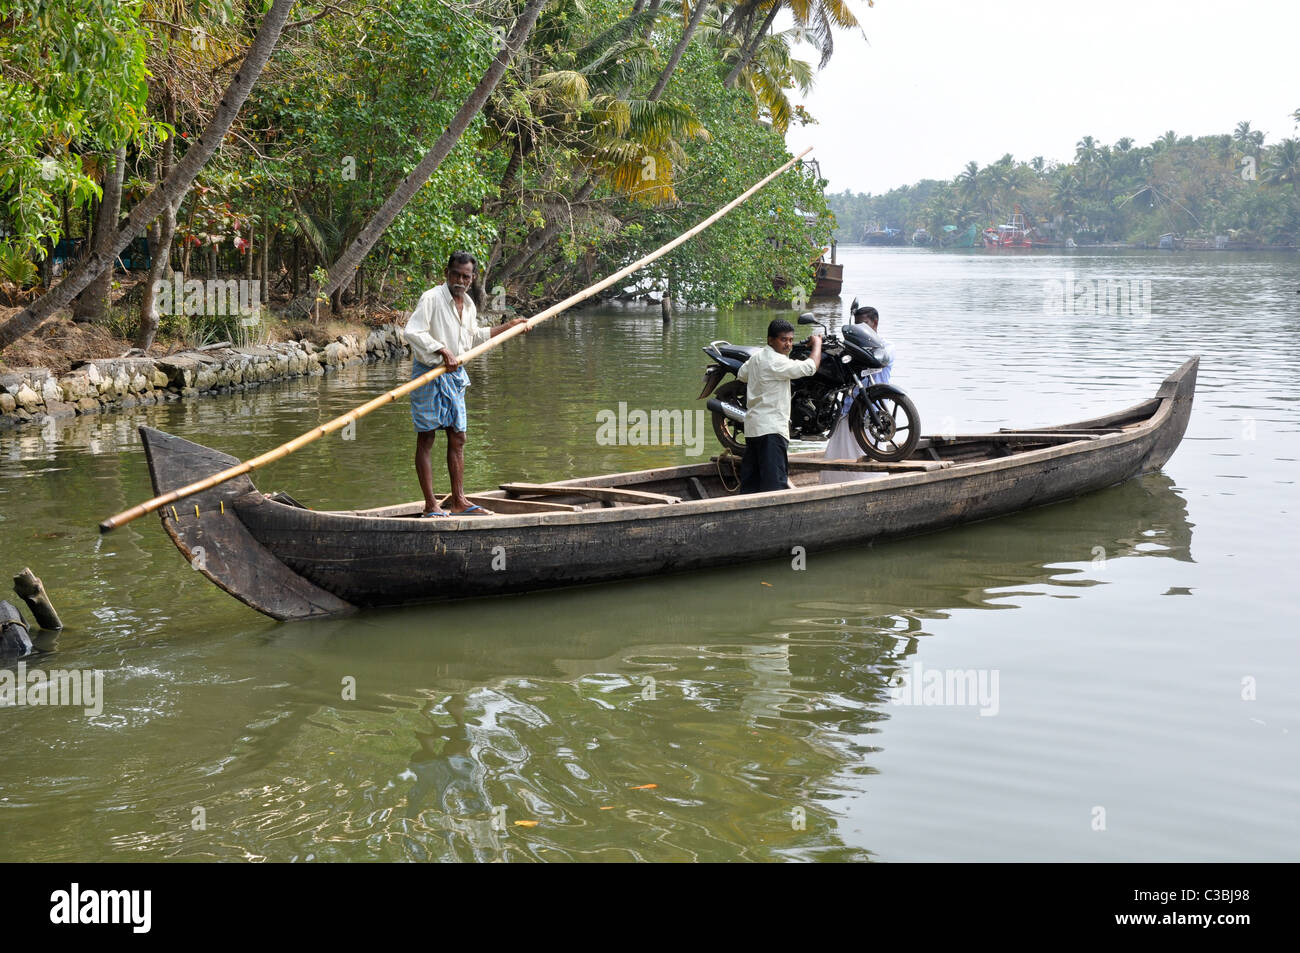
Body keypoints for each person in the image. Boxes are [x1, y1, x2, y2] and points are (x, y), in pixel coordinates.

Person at [404, 251, 528, 517]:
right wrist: (441, 350)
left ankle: (459, 500)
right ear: (447, 273)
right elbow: (413, 332)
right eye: (456, 275)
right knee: (426, 438)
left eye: (466, 276)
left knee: (458, 438)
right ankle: (430, 505)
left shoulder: (469, 305)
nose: (460, 280)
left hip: (455, 376)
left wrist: (510, 327)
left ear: (472, 279)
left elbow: (474, 338)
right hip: (429, 374)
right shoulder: (432, 298)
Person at [736, 318, 822, 493]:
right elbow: (810, 368)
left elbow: (742, 374)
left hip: (753, 429)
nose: (788, 344)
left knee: (751, 484)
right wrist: (817, 345)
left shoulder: (757, 357)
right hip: (772, 430)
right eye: (783, 340)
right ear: (770, 340)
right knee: (774, 485)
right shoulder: (776, 362)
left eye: (790, 340)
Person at [821, 302, 893, 484]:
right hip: (847, 411)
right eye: (856, 326)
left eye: (864, 325)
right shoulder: (852, 348)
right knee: (835, 455)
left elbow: (880, 361)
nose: (860, 331)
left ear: (875, 324)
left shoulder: (885, 348)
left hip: (873, 413)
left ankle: (870, 488)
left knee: (870, 458)